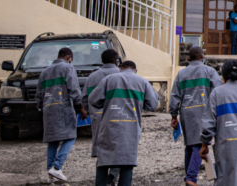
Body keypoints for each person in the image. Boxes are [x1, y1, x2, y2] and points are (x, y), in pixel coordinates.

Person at [89, 61, 160, 186]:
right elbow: (153, 105)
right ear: (135, 70)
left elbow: (93, 100)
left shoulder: (108, 80)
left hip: (108, 128)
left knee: (104, 161)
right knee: (127, 163)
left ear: (120, 69)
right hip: (130, 129)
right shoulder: (142, 82)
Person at [169, 47, 223, 186]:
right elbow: (219, 89)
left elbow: (175, 95)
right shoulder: (209, 71)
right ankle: (191, 178)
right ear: (201, 57)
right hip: (204, 112)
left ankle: (188, 175)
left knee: (189, 145)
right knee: (199, 145)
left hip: (186, 113)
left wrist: (173, 115)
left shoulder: (181, 74)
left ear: (189, 58)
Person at [36, 47, 86, 183]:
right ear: (68, 57)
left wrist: (42, 108)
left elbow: (39, 95)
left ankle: (50, 175)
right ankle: (57, 167)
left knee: (53, 141)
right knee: (70, 137)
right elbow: (74, 89)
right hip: (63, 109)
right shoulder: (68, 68)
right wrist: (81, 107)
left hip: (48, 110)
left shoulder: (44, 72)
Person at [82, 49, 121, 185]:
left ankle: (102, 181)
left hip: (97, 117)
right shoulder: (120, 74)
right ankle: (113, 175)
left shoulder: (92, 77)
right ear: (116, 61)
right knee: (118, 147)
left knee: (102, 149)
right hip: (117, 116)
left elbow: (85, 98)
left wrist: (90, 112)